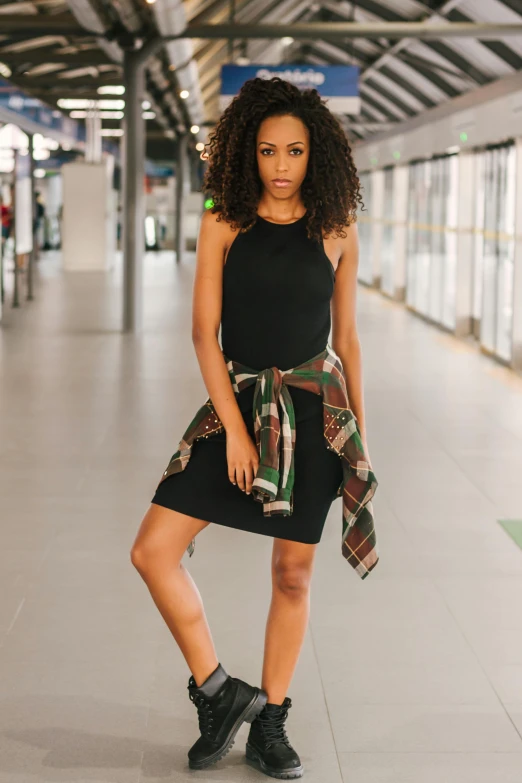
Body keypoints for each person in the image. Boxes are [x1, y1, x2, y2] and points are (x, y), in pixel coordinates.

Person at [130, 76, 374, 778]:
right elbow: (204, 334)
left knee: (292, 574)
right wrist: (234, 430)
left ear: (315, 154)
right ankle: (217, 690)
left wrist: (362, 437)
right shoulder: (223, 218)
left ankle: (271, 719)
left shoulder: (337, 227)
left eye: (295, 151)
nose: (280, 166)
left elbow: (350, 341)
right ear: (247, 152)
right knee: (153, 550)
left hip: (315, 411)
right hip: (236, 405)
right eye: (268, 150)